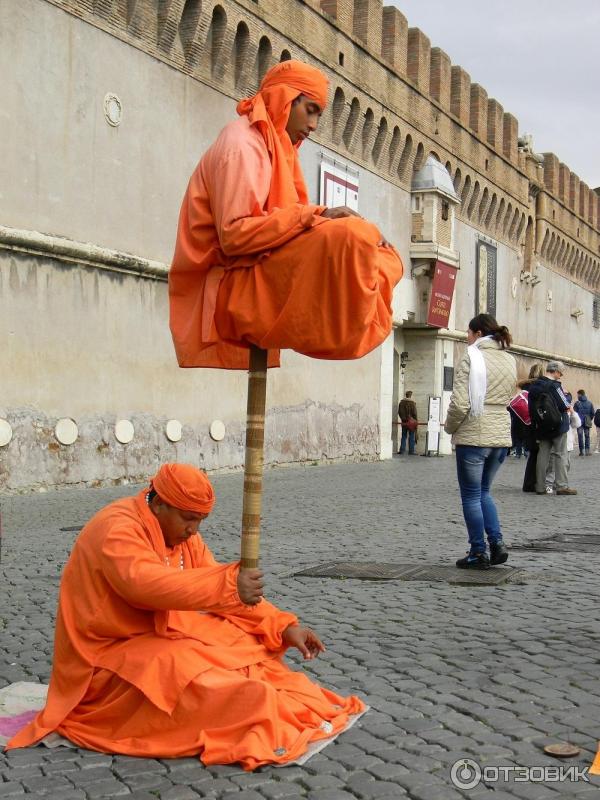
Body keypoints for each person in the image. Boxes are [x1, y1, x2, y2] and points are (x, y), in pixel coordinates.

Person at [6, 464, 365, 769]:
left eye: (200, 521)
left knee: (241, 643)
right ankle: (246, 702)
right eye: (189, 519)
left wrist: (285, 626)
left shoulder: (183, 536)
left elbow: (224, 595)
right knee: (196, 673)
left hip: (161, 635)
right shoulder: (117, 527)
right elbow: (145, 585)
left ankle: (250, 695)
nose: (195, 530)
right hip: (104, 657)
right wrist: (228, 585)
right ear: (159, 504)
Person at [169, 60, 403, 370]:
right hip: (228, 279)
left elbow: (283, 222)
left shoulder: (276, 147)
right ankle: (348, 321)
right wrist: (315, 216)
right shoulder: (241, 144)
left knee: (379, 250)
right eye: (311, 109)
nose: (315, 125)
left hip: (258, 265)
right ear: (285, 99)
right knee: (355, 238)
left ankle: (354, 316)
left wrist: (317, 218)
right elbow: (235, 236)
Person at [444, 314, 516, 569]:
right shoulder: (509, 359)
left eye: (467, 332)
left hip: (475, 434)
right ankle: (497, 544)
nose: (466, 337)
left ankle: (478, 551)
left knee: (472, 496)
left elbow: (461, 402)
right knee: (484, 492)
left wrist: (449, 427)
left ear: (476, 333)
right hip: (500, 436)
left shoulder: (471, 357)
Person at [528, 361, 577, 496]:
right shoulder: (555, 386)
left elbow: (530, 407)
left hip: (542, 425)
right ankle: (561, 486)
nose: (561, 375)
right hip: (558, 425)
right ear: (555, 371)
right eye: (560, 372)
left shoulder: (535, 385)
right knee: (560, 455)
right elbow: (564, 404)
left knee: (542, 455)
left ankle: (540, 486)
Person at [518, 364, 544, 493]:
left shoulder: (525, 387)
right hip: (536, 424)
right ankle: (531, 483)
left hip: (526, 425)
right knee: (537, 455)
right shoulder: (539, 388)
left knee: (532, 455)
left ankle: (529, 482)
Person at [573, 389, 595, 456]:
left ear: (580, 394)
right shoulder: (590, 403)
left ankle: (581, 452)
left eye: (578, 395)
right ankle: (587, 451)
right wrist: (588, 419)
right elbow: (592, 413)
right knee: (587, 436)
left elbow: (574, 413)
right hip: (587, 422)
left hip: (579, 422)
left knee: (580, 436)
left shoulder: (577, 403)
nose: (577, 396)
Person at [397, 390, 418, 455]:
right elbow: (415, 413)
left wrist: (403, 419)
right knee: (411, 436)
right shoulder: (412, 403)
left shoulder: (401, 403)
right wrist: (416, 421)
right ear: (410, 396)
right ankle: (411, 451)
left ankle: (402, 450)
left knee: (403, 436)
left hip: (404, 422)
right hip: (411, 423)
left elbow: (399, 412)